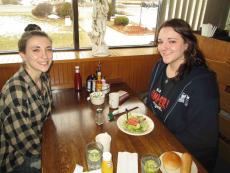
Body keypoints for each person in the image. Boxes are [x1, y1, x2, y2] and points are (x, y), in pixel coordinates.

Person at [146, 18, 219, 172]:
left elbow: (202, 140)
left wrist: (158, 139)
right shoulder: (159, 66)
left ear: (187, 44)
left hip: (189, 157)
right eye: (160, 41)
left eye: (172, 41)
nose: (163, 48)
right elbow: (150, 103)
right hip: (157, 140)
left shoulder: (202, 84)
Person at [0, 26, 53, 172]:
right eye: (36, 50)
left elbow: (46, 117)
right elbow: (27, 145)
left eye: (48, 49)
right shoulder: (15, 91)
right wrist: (54, 148)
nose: (45, 56)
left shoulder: (44, 77)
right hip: (18, 160)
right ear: (22, 55)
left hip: (39, 144)